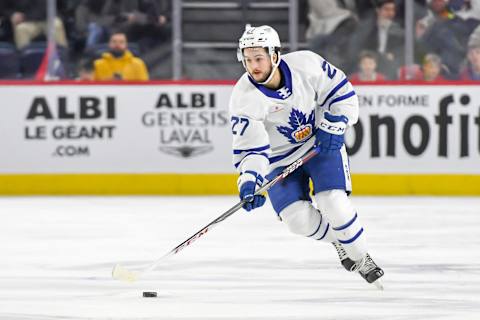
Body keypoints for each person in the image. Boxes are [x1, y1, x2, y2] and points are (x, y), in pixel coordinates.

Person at [229, 25, 384, 288]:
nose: (253, 66)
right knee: (297, 221)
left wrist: (336, 125)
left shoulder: (307, 64)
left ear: (275, 55)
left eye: (259, 58)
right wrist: (249, 181)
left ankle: (362, 258)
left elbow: (342, 94)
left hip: (318, 144)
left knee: (333, 202)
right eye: (248, 59)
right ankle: (340, 240)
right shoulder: (244, 98)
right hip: (280, 161)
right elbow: (252, 149)